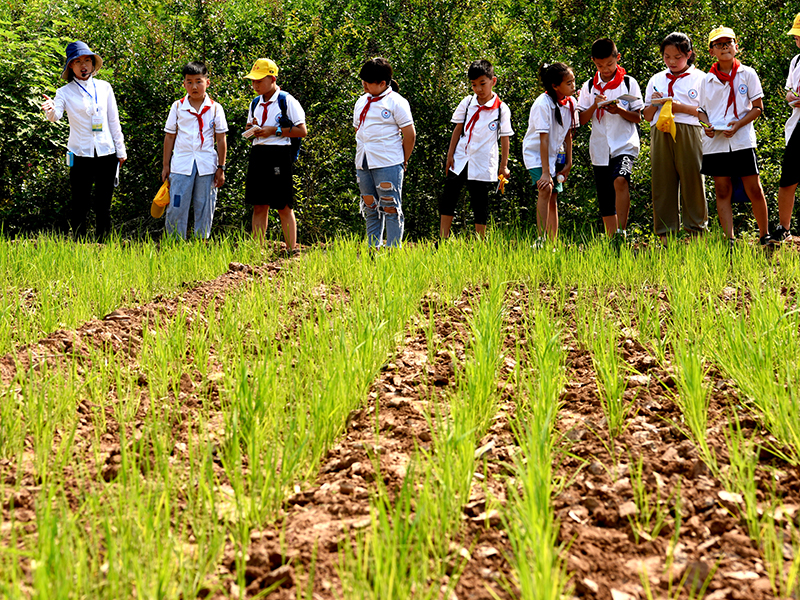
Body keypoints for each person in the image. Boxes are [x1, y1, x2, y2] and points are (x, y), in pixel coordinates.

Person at [41, 41, 126, 241]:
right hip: (80, 154)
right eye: (78, 61)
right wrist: (50, 110)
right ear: (71, 65)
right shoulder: (64, 92)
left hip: (106, 152)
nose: (83, 65)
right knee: (80, 203)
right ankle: (79, 244)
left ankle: (103, 244)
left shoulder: (104, 87)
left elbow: (113, 120)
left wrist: (121, 150)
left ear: (93, 63)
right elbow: (55, 116)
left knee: (104, 204)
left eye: (87, 60)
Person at [698, 26, 773, 246]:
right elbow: (701, 110)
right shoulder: (705, 80)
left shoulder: (747, 74)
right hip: (716, 143)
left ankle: (764, 235)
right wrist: (706, 125)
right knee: (722, 189)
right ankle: (729, 238)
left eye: (728, 43)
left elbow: (758, 107)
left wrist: (738, 124)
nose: (724, 48)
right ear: (711, 51)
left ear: (736, 47)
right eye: (718, 45)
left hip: (741, 140)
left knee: (753, 187)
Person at [643, 33, 708, 243]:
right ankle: (666, 233)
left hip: (688, 130)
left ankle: (696, 231)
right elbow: (646, 116)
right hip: (660, 131)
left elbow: (706, 114)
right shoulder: (656, 79)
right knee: (662, 181)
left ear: (689, 54)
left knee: (693, 178)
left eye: (677, 57)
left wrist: (680, 107)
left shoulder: (701, 79)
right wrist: (654, 103)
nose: (671, 61)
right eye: (667, 57)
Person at [577, 38, 644, 241]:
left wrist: (619, 110)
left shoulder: (628, 83)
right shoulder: (589, 86)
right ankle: (612, 238)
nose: (605, 69)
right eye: (600, 65)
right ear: (593, 61)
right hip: (600, 148)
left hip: (624, 144)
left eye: (609, 64)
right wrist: (594, 105)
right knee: (605, 194)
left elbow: (638, 117)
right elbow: (581, 120)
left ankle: (622, 231)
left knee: (621, 180)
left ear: (618, 58)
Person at [440, 59, 513, 240]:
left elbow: (505, 138)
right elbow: (458, 129)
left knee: (480, 201)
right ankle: (442, 238)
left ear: (493, 81)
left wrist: (504, 165)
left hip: (482, 160)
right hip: (461, 158)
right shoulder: (467, 103)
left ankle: (480, 242)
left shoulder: (501, 109)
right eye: (474, 85)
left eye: (482, 83)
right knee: (449, 196)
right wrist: (450, 155)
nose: (478, 89)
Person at [244, 58, 307, 249]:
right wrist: (252, 129)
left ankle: (291, 249)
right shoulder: (255, 103)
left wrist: (274, 131)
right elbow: (248, 127)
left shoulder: (286, 100)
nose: (255, 85)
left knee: (283, 204)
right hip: (258, 152)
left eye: (259, 80)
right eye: (253, 81)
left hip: (279, 154)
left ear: (272, 78)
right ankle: (257, 249)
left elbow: (302, 131)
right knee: (259, 204)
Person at [161, 61, 228, 239]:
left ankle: (201, 242)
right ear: (184, 84)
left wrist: (221, 167)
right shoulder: (177, 107)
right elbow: (169, 136)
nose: (194, 86)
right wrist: (166, 165)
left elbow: (221, 139)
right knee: (176, 205)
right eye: (189, 82)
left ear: (207, 82)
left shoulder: (215, 108)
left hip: (207, 164)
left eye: (199, 81)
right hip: (181, 164)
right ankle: (174, 242)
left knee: (205, 205)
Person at [353, 57, 415, 248]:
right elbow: (358, 130)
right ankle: (373, 249)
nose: (364, 85)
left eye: (368, 82)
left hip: (388, 162)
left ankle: (393, 250)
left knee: (391, 207)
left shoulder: (396, 102)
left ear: (382, 83)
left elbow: (410, 135)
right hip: (364, 162)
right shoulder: (361, 101)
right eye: (363, 81)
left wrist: (403, 160)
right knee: (370, 207)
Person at [522, 62, 577, 243]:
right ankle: (540, 239)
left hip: (556, 155)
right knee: (546, 188)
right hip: (537, 155)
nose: (573, 86)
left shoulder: (571, 103)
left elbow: (568, 135)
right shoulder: (542, 104)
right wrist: (545, 172)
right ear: (555, 86)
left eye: (573, 81)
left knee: (554, 197)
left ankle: (552, 244)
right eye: (568, 83)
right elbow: (543, 140)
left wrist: (569, 163)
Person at [774, 14, 800, 243]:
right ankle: (784, 227)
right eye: (797, 36)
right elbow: (789, 92)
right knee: (788, 177)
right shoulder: (796, 61)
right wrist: (791, 97)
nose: (797, 40)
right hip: (797, 126)